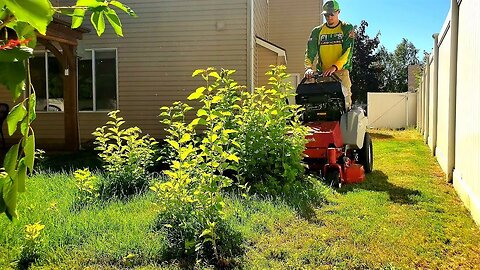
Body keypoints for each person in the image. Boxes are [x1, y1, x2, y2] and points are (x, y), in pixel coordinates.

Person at [304, 0, 355, 109]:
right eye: (326, 15)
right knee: (323, 107)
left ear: (338, 12)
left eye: (332, 14)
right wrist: (308, 68)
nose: (329, 17)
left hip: (341, 73)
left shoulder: (346, 28)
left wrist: (335, 67)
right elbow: (310, 51)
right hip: (323, 75)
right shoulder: (317, 31)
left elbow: (348, 51)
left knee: (345, 106)